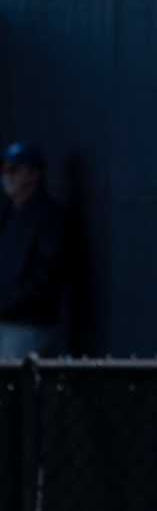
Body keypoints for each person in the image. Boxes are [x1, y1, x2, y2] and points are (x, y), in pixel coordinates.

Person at [0, 143, 68, 359]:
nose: (6, 176)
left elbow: (45, 278)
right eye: (4, 169)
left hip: (28, 327)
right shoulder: (7, 215)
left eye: (13, 170)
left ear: (33, 174)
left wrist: (7, 304)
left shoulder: (49, 218)